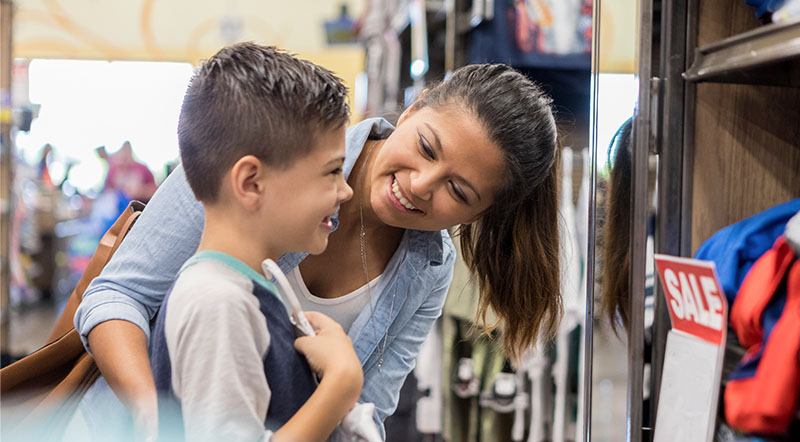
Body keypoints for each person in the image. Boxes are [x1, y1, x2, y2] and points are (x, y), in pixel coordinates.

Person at [73, 60, 562, 438]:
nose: (419, 185)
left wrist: (345, 397)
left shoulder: (428, 268)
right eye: (427, 148)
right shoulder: (266, 151)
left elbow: (367, 411)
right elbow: (118, 295)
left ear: (479, 215)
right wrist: (155, 419)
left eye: (458, 192)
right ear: (412, 110)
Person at [151, 43, 360, 441]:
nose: (345, 191)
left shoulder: (250, 284)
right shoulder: (216, 302)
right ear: (251, 183)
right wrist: (340, 387)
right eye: (332, 171)